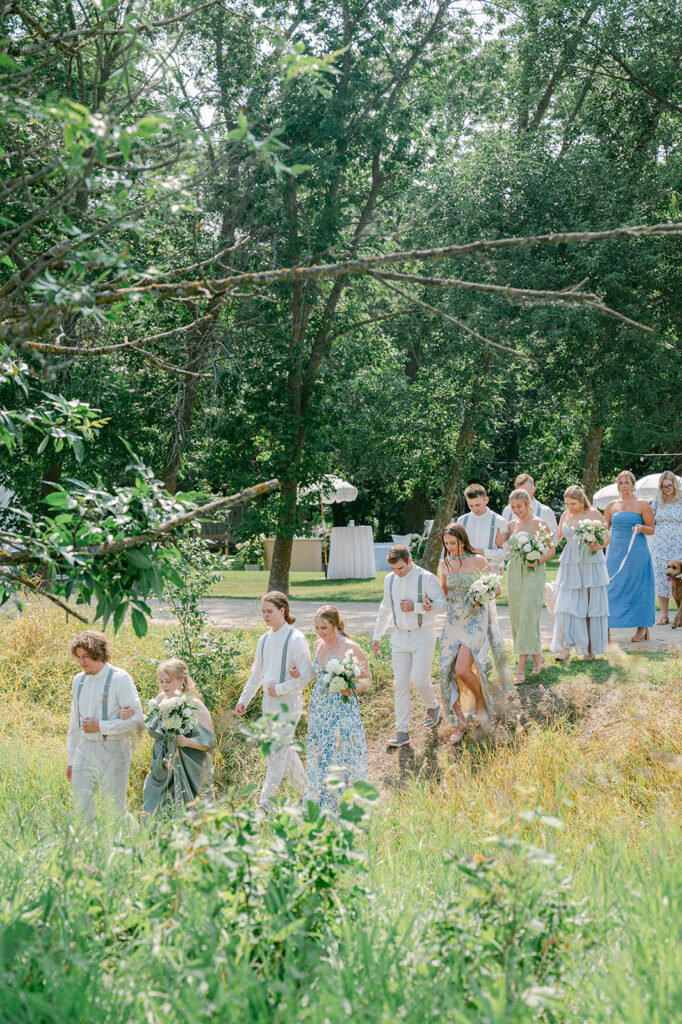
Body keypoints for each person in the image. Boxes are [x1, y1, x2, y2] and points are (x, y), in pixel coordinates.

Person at [235, 591, 314, 811]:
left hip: (289, 704)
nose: (265, 616)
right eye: (263, 612)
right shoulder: (264, 640)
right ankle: (307, 796)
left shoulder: (296, 638)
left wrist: (279, 688)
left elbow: (306, 674)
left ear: (283, 610)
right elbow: (256, 674)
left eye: (269, 611)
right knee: (284, 752)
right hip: (268, 705)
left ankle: (264, 806)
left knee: (275, 752)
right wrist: (244, 700)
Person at [438, 524, 513, 744]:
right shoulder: (444, 564)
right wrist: (428, 600)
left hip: (475, 619)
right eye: (446, 544)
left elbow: (496, 589)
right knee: (445, 671)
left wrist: (483, 596)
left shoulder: (478, 560)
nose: (449, 547)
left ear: (462, 540)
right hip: (453, 620)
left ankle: (481, 704)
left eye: (453, 543)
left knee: (462, 669)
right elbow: (443, 592)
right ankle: (460, 722)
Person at [372, 543, 446, 748]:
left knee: (420, 680)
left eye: (401, 568)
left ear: (409, 560)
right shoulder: (389, 580)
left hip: (423, 635)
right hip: (399, 638)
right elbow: (385, 608)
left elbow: (442, 606)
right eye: (394, 569)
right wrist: (378, 634)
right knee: (400, 684)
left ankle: (433, 707)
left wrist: (417, 607)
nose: (397, 572)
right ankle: (402, 731)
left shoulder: (426, 578)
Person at [66, 630, 144, 822]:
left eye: (86, 657)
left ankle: (124, 847)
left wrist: (101, 726)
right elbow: (75, 723)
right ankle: (87, 850)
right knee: (82, 809)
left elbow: (137, 721)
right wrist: (71, 758)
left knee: (114, 808)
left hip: (114, 750)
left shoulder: (120, 678)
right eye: (79, 657)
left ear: (99, 654)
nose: (82, 662)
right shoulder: (79, 681)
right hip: (84, 749)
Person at [124, 659, 215, 818]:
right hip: (162, 766)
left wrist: (186, 741)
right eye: (161, 682)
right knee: (153, 806)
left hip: (189, 767)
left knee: (190, 812)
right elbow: (148, 725)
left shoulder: (195, 705)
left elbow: (209, 743)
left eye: (168, 681)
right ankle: (152, 841)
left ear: (181, 681)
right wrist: (131, 716)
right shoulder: (160, 700)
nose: (164, 686)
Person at [303, 605, 370, 811]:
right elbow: (318, 673)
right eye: (316, 628)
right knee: (321, 751)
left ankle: (344, 801)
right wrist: (300, 673)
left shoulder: (350, 647)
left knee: (340, 751)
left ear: (334, 624)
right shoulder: (317, 645)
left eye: (324, 628)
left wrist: (349, 689)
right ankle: (322, 800)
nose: (320, 632)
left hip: (342, 708)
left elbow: (367, 678)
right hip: (320, 707)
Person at [550, 485, 610, 663]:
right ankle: (565, 648)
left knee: (589, 607)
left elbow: (607, 535)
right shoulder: (565, 515)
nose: (569, 507)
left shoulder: (593, 514)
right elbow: (558, 537)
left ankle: (589, 649)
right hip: (570, 563)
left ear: (581, 500)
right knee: (567, 606)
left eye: (573, 503)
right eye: (567, 503)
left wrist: (599, 545)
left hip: (591, 562)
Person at [506, 488, 556, 683]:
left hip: (534, 572)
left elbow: (552, 549)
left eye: (519, 506)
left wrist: (538, 560)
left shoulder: (539, 523)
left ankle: (520, 665)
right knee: (518, 614)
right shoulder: (511, 525)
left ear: (528, 504)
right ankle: (538, 658)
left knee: (528, 612)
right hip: (514, 573)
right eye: (513, 507)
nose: (516, 510)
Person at [605, 470, 655, 641]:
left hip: (637, 554)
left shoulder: (643, 504)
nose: (624, 486)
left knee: (639, 588)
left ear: (633, 485)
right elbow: (604, 531)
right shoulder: (611, 505)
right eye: (621, 483)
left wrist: (642, 528)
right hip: (615, 554)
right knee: (611, 587)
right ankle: (606, 626)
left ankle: (642, 628)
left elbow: (652, 528)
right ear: (617, 485)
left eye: (627, 482)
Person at [649, 471, 682, 625]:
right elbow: (648, 519)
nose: (667, 489)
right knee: (662, 580)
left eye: (669, 486)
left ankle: (679, 615)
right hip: (660, 547)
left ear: (675, 485)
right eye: (664, 486)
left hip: (679, 546)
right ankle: (664, 615)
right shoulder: (657, 501)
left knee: (679, 582)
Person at [457, 483, 508, 569]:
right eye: (471, 506)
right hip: (466, 569)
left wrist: (483, 552)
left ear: (486, 500)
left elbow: (506, 553)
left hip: (490, 571)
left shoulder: (499, 521)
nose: (474, 509)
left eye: (478, 505)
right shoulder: (461, 521)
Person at [502, 473, 559, 544]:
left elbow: (554, 541)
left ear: (534, 489)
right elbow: (503, 540)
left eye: (525, 492)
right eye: (519, 492)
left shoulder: (545, 512)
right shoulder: (507, 511)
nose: (522, 496)